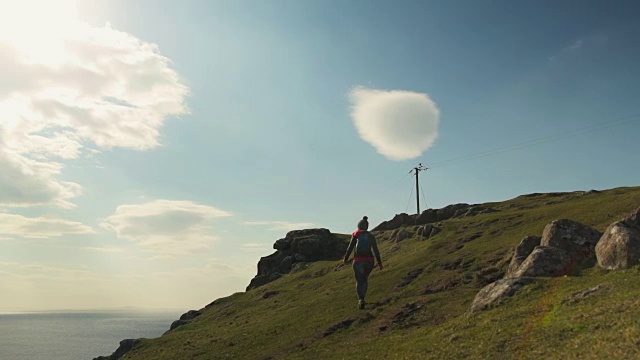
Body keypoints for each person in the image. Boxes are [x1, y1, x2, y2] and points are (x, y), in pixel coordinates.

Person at [342, 216, 383, 309]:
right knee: (364, 279)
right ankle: (363, 297)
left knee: (359, 280)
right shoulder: (371, 236)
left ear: (359, 225)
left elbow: (350, 248)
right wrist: (379, 263)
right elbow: (375, 250)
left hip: (358, 261)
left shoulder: (356, 235)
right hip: (369, 261)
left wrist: (345, 259)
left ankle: (361, 299)